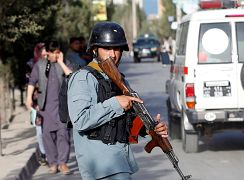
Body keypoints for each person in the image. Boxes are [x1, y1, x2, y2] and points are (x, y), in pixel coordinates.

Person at [67, 21, 168, 180]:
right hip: (101, 166)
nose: (113, 54)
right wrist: (115, 103)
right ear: (95, 50)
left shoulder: (118, 79)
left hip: (119, 162)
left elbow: (127, 120)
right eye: (107, 48)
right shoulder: (83, 78)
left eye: (117, 49)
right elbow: (80, 119)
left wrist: (151, 129)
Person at [25, 40, 73, 175]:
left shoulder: (64, 64)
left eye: (57, 53)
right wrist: (28, 98)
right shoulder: (40, 66)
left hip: (62, 107)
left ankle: (62, 163)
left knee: (63, 134)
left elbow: (72, 76)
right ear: (48, 52)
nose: (55, 56)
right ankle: (52, 163)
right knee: (47, 135)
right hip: (45, 107)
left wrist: (61, 62)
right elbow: (32, 82)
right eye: (53, 53)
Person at [26, 42, 47, 166]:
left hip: (51, 102)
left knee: (51, 130)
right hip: (36, 103)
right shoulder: (31, 64)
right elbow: (28, 82)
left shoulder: (52, 64)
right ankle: (43, 153)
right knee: (39, 130)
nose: (43, 53)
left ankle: (52, 153)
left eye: (45, 51)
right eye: (41, 51)